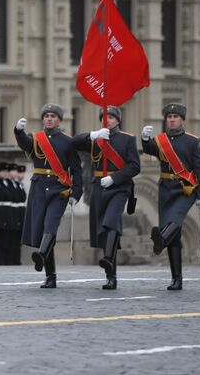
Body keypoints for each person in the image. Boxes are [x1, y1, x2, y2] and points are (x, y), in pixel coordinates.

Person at [141, 103, 200, 291]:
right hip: (165, 189)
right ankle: (176, 279)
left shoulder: (192, 141)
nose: (171, 120)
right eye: (169, 117)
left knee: (175, 220)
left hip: (185, 189)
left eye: (175, 117)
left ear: (182, 120)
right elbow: (150, 149)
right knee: (175, 237)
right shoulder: (161, 140)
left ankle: (160, 240)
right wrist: (145, 139)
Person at [14, 104, 83, 288]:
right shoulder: (36, 138)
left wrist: (76, 192)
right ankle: (50, 276)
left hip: (58, 190)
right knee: (42, 229)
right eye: (46, 116)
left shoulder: (68, 141)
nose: (49, 119)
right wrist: (19, 131)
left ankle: (42, 254)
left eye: (53, 116)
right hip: (39, 188)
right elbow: (24, 143)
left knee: (50, 226)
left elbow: (76, 169)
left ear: (59, 119)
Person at [72, 106, 140, 290]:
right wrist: (93, 135)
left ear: (118, 120)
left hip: (119, 187)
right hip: (98, 185)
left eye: (111, 117)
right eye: (104, 117)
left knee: (111, 222)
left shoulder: (128, 139)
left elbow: (135, 166)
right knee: (103, 228)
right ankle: (111, 276)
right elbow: (74, 142)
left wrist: (114, 178)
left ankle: (108, 258)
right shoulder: (96, 139)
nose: (107, 120)